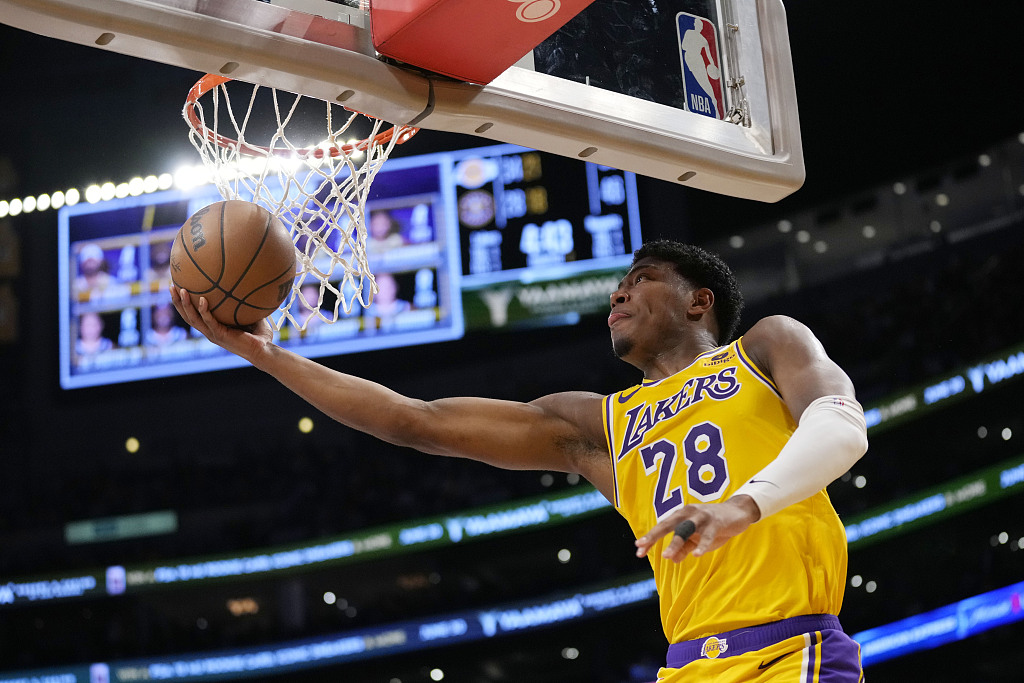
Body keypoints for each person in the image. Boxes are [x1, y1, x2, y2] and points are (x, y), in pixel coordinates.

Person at [170, 239, 868, 681]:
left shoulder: (765, 348)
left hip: (790, 651)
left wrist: (741, 504)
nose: (618, 293)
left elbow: (841, 425)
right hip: (686, 666)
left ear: (698, 300)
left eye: (641, 278)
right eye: (616, 287)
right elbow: (418, 420)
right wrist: (268, 356)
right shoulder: (601, 421)